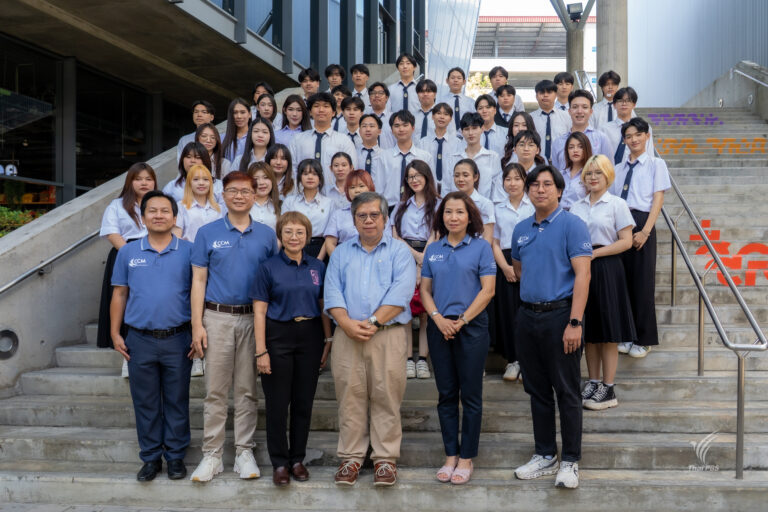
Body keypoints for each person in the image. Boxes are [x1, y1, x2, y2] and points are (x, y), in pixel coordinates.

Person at [189, 171, 278, 483]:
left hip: (253, 319)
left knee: (247, 390)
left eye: (245, 191)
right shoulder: (207, 232)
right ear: (223, 195)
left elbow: (273, 280)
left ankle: (244, 452)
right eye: (233, 191)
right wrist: (197, 324)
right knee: (215, 390)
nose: (239, 196)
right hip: (217, 317)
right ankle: (212, 455)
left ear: (255, 195)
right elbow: (198, 280)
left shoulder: (267, 235)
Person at [324, 192, 417, 487]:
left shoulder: (399, 252)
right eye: (361, 216)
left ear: (385, 218)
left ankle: (385, 460)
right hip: (347, 335)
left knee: (386, 396)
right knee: (349, 397)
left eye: (374, 215)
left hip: (388, 334)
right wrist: (346, 323)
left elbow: (401, 293)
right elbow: (332, 292)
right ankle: (351, 458)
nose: (368, 221)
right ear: (353, 220)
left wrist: (373, 322)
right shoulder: (341, 253)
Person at [510, 165, 592, 489]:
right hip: (528, 317)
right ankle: (545, 454)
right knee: (537, 391)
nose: (540, 189)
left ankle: (570, 460)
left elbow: (583, 275)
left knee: (567, 391)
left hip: (561, 317)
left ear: (559, 190)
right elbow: (519, 269)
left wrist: (575, 322)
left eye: (547, 184)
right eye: (534, 184)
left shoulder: (573, 225)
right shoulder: (521, 229)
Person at [110, 191, 194, 482]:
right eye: (153, 211)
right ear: (142, 217)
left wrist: (198, 332)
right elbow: (120, 294)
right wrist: (115, 332)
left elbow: (199, 292)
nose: (159, 216)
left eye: (165, 211)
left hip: (178, 338)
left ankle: (175, 456)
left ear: (174, 217)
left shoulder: (189, 251)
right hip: (140, 339)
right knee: (144, 401)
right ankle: (150, 458)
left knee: (177, 399)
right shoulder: (128, 252)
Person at [251, 211, 332, 486]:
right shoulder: (268, 267)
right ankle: (279, 463)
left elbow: (322, 305)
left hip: (310, 336)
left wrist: (328, 340)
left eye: (299, 232)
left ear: (308, 236)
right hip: (278, 336)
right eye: (288, 232)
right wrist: (261, 350)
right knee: (277, 403)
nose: (294, 237)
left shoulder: (317, 267)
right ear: (280, 236)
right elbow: (259, 311)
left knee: (303, 402)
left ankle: (297, 459)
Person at [420, 191, 496, 485]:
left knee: (471, 395)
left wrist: (462, 320)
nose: (453, 217)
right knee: (446, 394)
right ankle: (451, 455)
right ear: (442, 217)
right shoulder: (433, 250)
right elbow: (425, 290)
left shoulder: (481, 248)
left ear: (469, 216)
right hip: (440, 327)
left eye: (459, 212)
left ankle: (466, 458)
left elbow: (488, 291)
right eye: (448, 212)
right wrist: (438, 318)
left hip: (471, 327)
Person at [570, 155, 637, 410]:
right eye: (589, 173)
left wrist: (595, 253)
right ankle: (594, 381)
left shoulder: (617, 204)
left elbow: (626, 241)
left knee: (608, 331)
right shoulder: (576, 207)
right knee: (590, 330)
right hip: (581, 268)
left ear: (608, 175)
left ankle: (608, 388)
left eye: (598, 172)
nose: (593, 177)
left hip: (607, 267)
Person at [610, 117, 671, 358]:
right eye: (628, 136)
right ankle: (626, 334)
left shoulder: (656, 164)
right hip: (620, 223)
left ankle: (643, 339)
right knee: (622, 281)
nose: (633, 139)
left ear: (647, 136)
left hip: (642, 220)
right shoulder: (618, 168)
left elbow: (658, 198)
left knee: (642, 282)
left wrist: (646, 230)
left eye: (638, 134)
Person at [97, 163, 157, 381]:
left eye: (148, 179)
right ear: (130, 182)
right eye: (138, 179)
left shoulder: (160, 203)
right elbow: (112, 233)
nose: (144, 183)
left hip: (157, 255)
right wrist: (133, 256)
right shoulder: (117, 205)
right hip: (125, 255)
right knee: (125, 305)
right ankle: (127, 358)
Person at [390, 160, 439, 380]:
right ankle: (409, 358)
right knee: (407, 310)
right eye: (410, 177)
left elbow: (436, 234)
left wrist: (422, 261)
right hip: (404, 255)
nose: (414, 180)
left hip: (431, 253)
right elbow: (396, 236)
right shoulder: (401, 205)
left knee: (426, 309)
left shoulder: (438, 204)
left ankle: (423, 360)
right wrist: (415, 257)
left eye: (418, 175)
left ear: (427, 176)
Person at [492, 163, 534, 382]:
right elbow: (494, 242)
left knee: (530, 312)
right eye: (508, 179)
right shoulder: (497, 208)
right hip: (506, 262)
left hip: (531, 262)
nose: (512, 183)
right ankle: (513, 360)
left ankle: (530, 362)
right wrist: (506, 267)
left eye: (517, 178)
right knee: (509, 313)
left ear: (525, 181)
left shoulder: (534, 206)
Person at [288, 92, 357, 186]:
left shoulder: (344, 141)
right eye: (316, 106)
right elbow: (292, 170)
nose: (321, 110)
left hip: (335, 193)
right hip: (304, 193)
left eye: (326, 106)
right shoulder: (298, 140)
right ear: (310, 112)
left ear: (333, 112)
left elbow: (352, 171)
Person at [443, 113, 504, 203]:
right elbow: (445, 189)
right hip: (456, 207)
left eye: (474, 128)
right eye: (467, 129)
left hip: (483, 208)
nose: (471, 133)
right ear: (462, 132)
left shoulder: (492, 157)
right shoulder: (452, 158)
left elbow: (496, 190)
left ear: (482, 129)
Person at [282, 159, 334, 259]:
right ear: (300, 178)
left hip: (319, 249)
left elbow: (329, 236)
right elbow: (283, 229)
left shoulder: (329, 203)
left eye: (314, 174)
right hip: (293, 246)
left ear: (320, 178)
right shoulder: (290, 202)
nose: (310, 177)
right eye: (305, 174)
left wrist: (319, 260)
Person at [551, 90, 612, 174]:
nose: (579, 111)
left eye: (585, 107)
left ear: (591, 111)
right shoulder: (558, 142)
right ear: (569, 111)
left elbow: (609, 172)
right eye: (575, 107)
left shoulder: (602, 139)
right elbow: (556, 175)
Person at [381, 110, 432, 207]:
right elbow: (379, 188)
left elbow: (430, 185)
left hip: (418, 206)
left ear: (413, 128)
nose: (401, 129)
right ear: (392, 130)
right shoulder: (384, 156)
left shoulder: (425, 156)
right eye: (397, 126)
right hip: (390, 206)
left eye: (405, 125)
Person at [323, 170, 376, 255]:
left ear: (370, 188)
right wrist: (339, 260)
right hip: (344, 259)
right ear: (347, 191)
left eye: (361, 186)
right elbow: (330, 243)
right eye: (352, 187)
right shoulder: (338, 215)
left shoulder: (380, 214)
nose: (357, 190)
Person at [599, 87, 654, 166]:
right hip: (610, 170)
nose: (624, 104)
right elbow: (600, 155)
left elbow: (650, 152)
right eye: (620, 100)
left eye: (628, 100)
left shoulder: (644, 127)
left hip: (638, 169)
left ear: (634, 105)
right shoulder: (604, 129)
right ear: (614, 105)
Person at [417, 103, 463, 195]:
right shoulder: (423, 142)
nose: (442, 117)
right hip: (428, 189)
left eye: (446, 114)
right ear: (432, 116)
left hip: (451, 189)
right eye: (438, 113)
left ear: (450, 119)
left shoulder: (457, 143)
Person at [175, 164, 224, 243]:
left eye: (205, 179)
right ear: (189, 183)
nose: (201, 183)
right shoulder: (180, 206)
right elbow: (176, 237)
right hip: (190, 249)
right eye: (196, 179)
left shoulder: (219, 208)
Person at [451, 159, 495, 243]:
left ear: (475, 177)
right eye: (456, 175)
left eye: (465, 175)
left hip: (477, 248)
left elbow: (487, 237)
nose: (460, 179)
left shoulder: (485, 204)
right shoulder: (450, 202)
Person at [530, 80, 572, 163]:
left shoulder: (567, 117)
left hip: (561, 163)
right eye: (542, 93)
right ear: (536, 96)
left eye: (549, 92)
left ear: (556, 95)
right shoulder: (530, 118)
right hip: (536, 163)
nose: (545, 95)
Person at [559, 131, 593, 210]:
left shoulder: (591, 175)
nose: (575, 150)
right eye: (571, 147)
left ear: (586, 149)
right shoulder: (560, 175)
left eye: (580, 147)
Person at [247, 161, 281, 231]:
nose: (261, 182)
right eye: (256, 179)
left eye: (265, 177)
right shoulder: (243, 205)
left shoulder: (280, 205)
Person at [440, 67, 475, 131]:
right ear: (447, 81)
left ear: (464, 81)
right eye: (452, 78)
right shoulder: (440, 101)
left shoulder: (471, 102)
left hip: (466, 135)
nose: (455, 80)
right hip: (446, 135)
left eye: (459, 78)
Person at [221, 98, 252, 162]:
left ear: (250, 114)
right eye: (235, 113)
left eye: (242, 112)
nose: (239, 116)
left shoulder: (256, 137)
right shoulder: (222, 138)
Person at [367, 82, 396, 149]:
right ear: (369, 98)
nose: (376, 95)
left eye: (380, 93)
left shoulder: (394, 118)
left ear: (386, 98)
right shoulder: (365, 119)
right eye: (373, 93)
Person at [357, 113, 385, 179]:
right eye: (364, 126)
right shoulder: (354, 153)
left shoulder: (385, 155)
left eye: (372, 126)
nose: (368, 129)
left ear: (379, 131)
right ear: (359, 131)